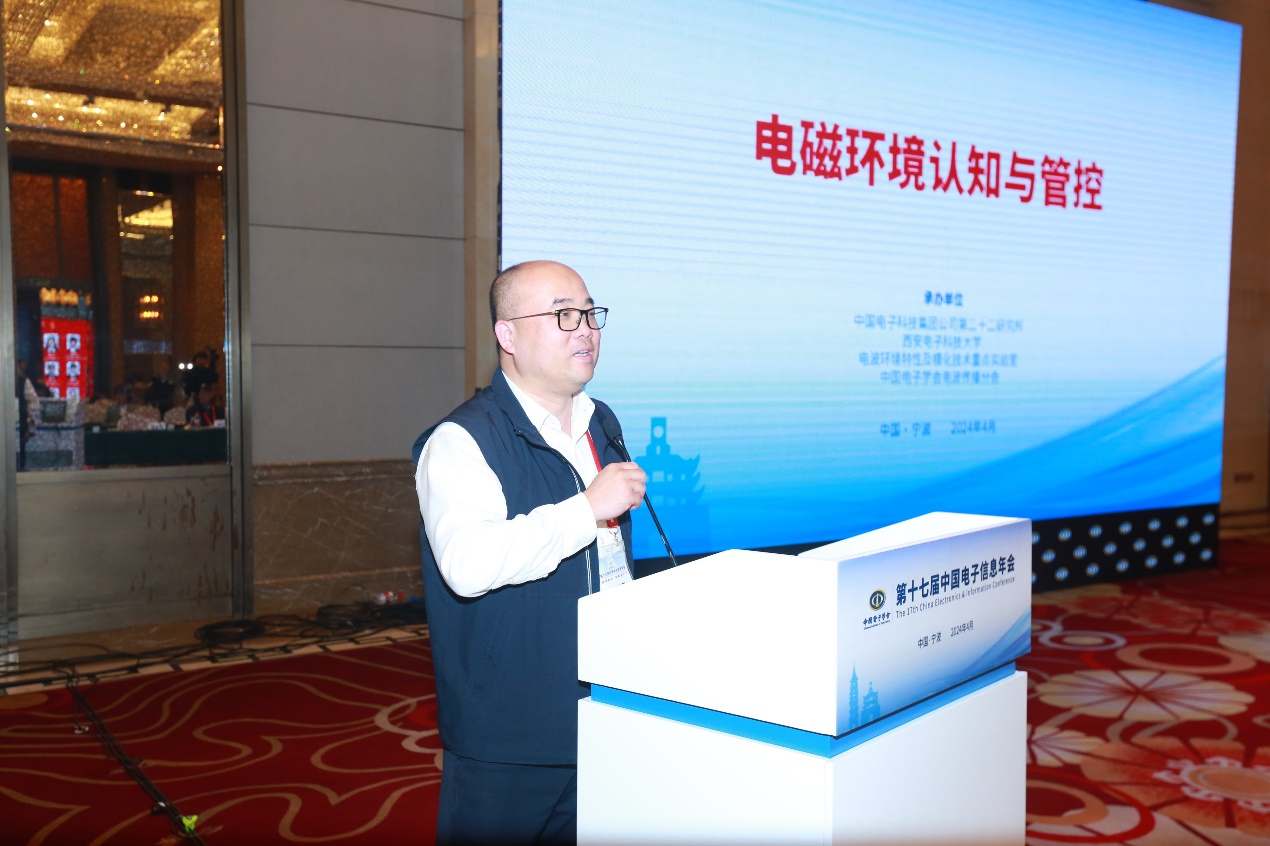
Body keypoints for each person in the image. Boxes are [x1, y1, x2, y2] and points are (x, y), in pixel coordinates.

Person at [412, 260, 647, 845]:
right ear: (508, 335)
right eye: (563, 315)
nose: (585, 329)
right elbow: (468, 565)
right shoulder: (461, 440)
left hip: (605, 710)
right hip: (509, 735)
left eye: (590, 313)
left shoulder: (601, 422)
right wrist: (585, 509)